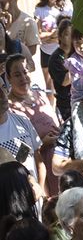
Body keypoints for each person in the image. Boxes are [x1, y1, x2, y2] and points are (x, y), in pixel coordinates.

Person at [5, 55, 60, 196]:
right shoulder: (10, 111)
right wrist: (41, 143)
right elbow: (19, 153)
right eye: (17, 74)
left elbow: (55, 124)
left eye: (25, 72)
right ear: (9, 78)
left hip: (58, 161)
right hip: (38, 171)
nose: (23, 77)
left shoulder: (40, 96)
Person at [0, 0, 39, 78]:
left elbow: (32, 50)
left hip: (18, 78)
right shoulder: (2, 22)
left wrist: (13, 65)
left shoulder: (28, 22)